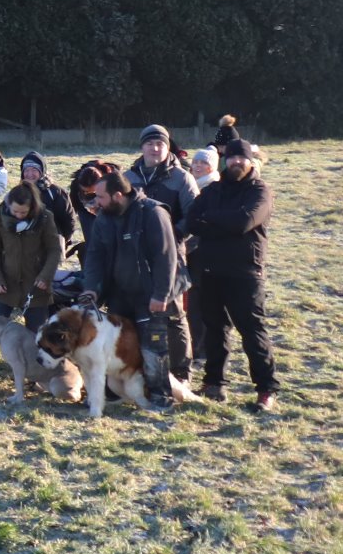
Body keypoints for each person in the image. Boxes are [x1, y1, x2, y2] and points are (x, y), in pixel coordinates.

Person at [80, 170, 186, 409]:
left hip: (150, 295)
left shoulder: (153, 213)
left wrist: (161, 294)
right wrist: (92, 289)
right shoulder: (104, 218)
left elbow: (166, 257)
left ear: (118, 195)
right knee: (119, 347)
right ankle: (116, 393)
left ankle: (161, 397)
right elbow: (95, 256)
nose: (97, 202)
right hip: (119, 295)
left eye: (101, 197)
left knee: (153, 350)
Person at [186, 139, 277, 410]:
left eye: (242, 158)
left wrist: (212, 218)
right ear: (226, 160)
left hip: (245, 272)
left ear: (251, 161)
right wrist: (226, 219)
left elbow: (245, 221)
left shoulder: (260, 191)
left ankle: (266, 389)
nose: (236, 162)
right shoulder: (213, 190)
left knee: (252, 331)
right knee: (215, 330)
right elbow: (193, 222)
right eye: (232, 157)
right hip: (211, 271)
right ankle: (214, 384)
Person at [0, 184, 62, 336]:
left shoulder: (45, 217)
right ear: (8, 205)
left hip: (35, 287)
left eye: (24, 212)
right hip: (5, 285)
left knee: (37, 336)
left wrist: (45, 276)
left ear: (32, 208)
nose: (19, 215)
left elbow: (54, 249)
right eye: (15, 212)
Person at [127, 124, 198, 240]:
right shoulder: (128, 178)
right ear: (142, 147)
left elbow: (193, 215)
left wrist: (171, 237)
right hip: (133, 248)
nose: (154, 148)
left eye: (160, 144)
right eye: (149, 143)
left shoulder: (183, 178)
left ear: (168, 148)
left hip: (170, 248)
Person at [20, 151, 78, 245]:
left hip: (52, 244)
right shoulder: (18, 193)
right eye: (26, 170)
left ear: (42, 171)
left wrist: (61, 242)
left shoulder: (55, 193)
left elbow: (68, 220)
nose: (30, 174)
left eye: (34, 170)